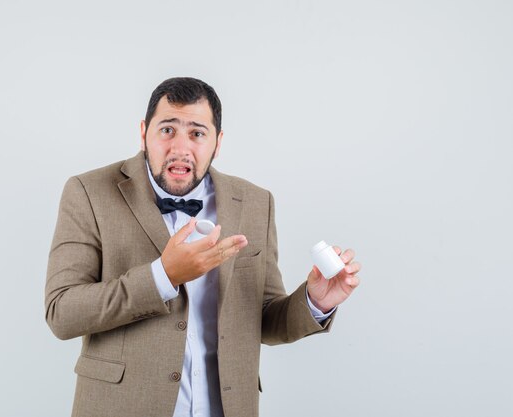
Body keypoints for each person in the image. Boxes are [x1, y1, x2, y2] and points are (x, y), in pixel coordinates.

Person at [45, 77, 361, 417]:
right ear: (143, 133)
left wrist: (314, 301)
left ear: (217, 142)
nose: (181, 148)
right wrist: (162, 277)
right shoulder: (89, 192)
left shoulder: (255, 203)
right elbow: (62, 312)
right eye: (167, 130)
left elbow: (265, 320)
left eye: (197, 133)